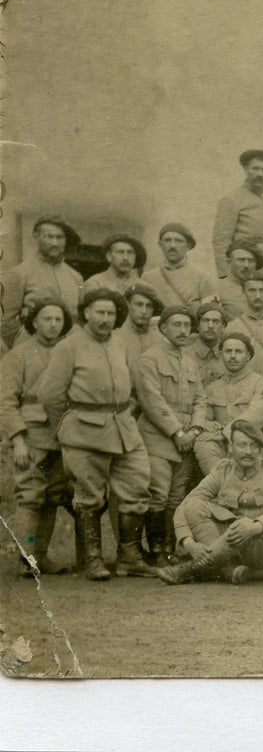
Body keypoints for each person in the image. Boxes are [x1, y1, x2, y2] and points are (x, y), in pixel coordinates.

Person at [33, 289, 154, 579]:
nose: (105, 319)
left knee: (137, 488)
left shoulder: (120, 345)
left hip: (124, 429)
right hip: (84, 432)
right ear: (86, 313)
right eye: (99, 312)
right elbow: (49, 394)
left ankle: (129, 558)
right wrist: (66, 424)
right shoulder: (69, 347)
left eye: (111, 314)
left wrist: (126, 410)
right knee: (89, 497)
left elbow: (132, 386)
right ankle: (93, 560)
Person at [158, 419, 263, 586]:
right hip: (231, 541)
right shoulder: (223, 469)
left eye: (254, 446)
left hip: (262, 543)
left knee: (239, 526)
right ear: (230, 448)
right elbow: (186, 504)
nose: (248, 451)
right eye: (242, 445)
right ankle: (228, 570)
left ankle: (191, 569)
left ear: (261, 450)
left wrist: (255, 527)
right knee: (194, 506)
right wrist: (189, 543)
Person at [1, 299, 77, 575]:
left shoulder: (66, 353)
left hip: (62, 435)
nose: (53, 324)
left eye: (58, 320)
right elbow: (6, 401)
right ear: (34, 322)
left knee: (53, 496)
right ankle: (27, 559)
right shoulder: (18, 356)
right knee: (31, 496)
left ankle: (41, 556)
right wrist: (18, 439)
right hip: (31, 436)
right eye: (47, 319)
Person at [135, 304, 206, 567]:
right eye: (177, 325)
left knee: (177, 496)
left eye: (187, 326)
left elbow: (200, 399)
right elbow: (152, 401)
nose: (183, 330)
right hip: (158, 436)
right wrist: (176, 431)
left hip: (187, 438)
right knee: (158, 492)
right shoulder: (149, 359)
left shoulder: (189, 362)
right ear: (163, 328)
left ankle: (169, 547)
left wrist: (195, 430)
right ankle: (155, 549)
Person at [2, 216, 84, 345]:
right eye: (48, 237)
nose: (54, 243)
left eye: (59, 237)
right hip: (33, 345)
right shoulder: (20, 273)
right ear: (36, 236)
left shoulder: (75, 277)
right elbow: (6, 319)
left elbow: (79, 317)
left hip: (68, 346)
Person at [203, 332, 263, 471]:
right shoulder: (213, 386)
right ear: (220, 354)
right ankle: (220, 483)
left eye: (238, 351)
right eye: (228, 351)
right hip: (221, 445)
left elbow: (255, 415)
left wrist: (226, 433)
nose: (233, 356)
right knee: (202, 444)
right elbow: (204, 414)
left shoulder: (261, 383)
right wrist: (208, 424)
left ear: (248, 356)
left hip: (250, 443)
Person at [212, 149, 263, 277]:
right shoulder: (231, 200)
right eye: (255, 168)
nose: (260, 174)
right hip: (249, 267)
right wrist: (225, 276)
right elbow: (221, 241)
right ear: (246, 169)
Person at [152, 222, 223, 316]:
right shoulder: (148, 278)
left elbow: (211, 316)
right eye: (167, 240)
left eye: (178, 241)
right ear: (160, 245)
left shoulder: (203, 277)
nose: (172, 245)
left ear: (188, 246)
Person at [84, 234, 152, 297]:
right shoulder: (95, 284)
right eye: (120, 252)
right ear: (109, 256)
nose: (126, 258)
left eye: (130, 253)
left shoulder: (144, 287)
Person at [216, 242, 263, 322]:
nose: (246, 265)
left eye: (251, 261)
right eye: (241, 260)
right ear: (229, 262)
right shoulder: (217, 287)